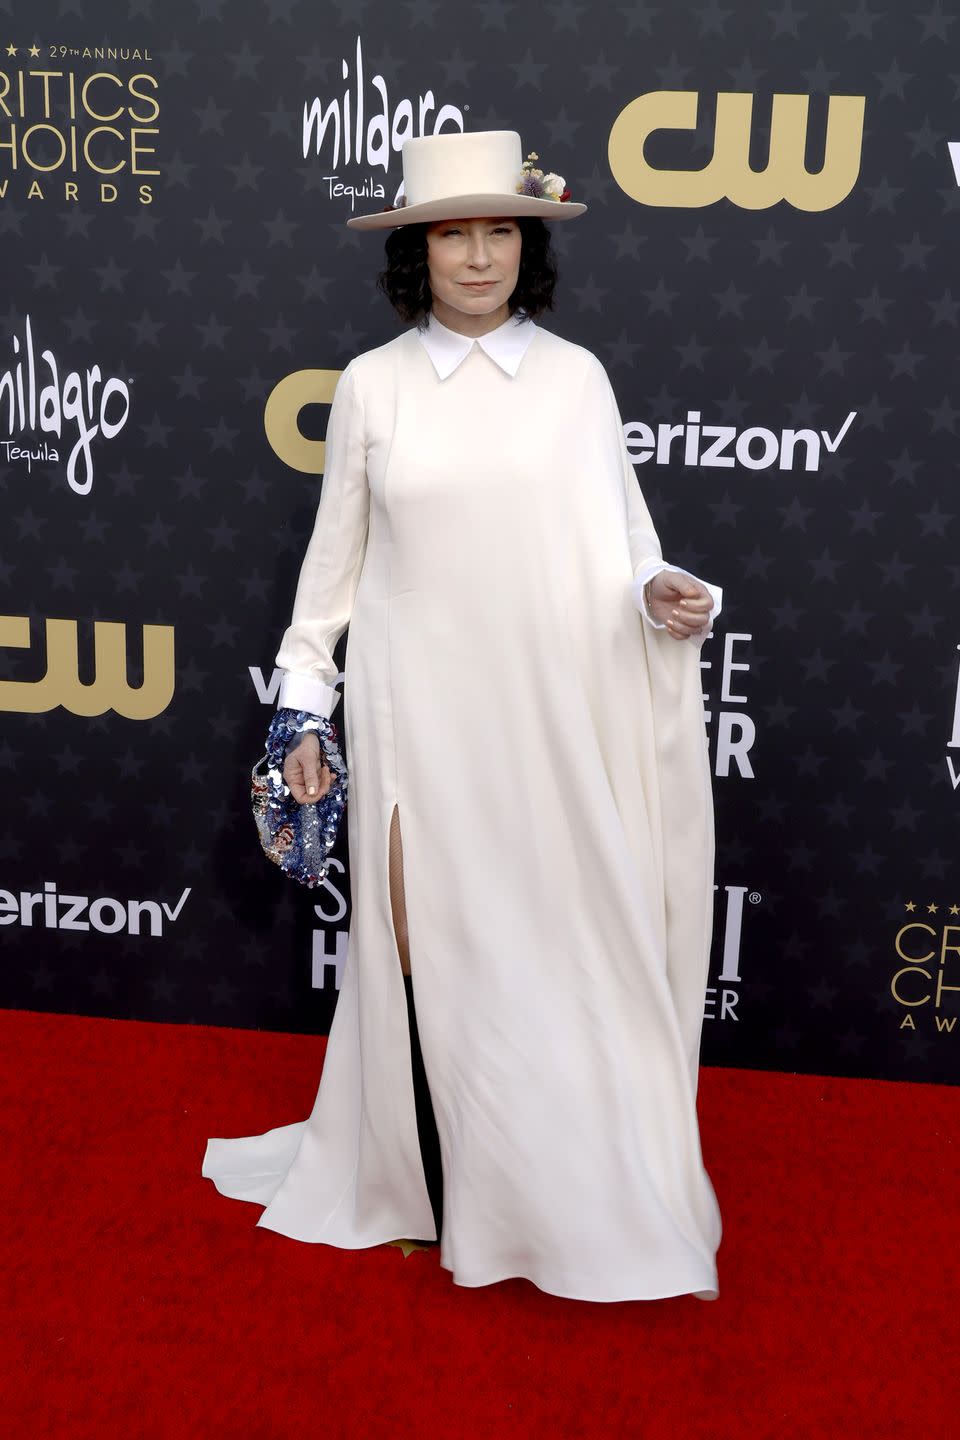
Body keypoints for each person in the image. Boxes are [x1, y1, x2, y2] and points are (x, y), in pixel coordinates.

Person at [203, 129, 724, 1303]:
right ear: (417, 253)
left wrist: (662, 595)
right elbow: (330, 574)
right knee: (438, 955)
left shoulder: (578, 379)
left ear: (524, 245)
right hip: (420, 735)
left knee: (553, 954)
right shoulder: (374, 386)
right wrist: (301, 713)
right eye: (453, 234)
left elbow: (623, 548)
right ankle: (439, 1185)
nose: (478, 257)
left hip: (550, 726)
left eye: (499, 232)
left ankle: (564, 1198)